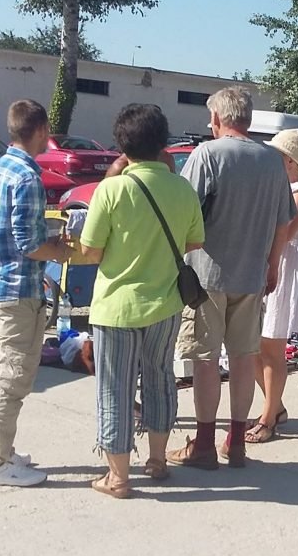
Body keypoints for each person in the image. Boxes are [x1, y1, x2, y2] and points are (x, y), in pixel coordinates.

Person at [73, 104, 204, 498]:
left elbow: (91, 251)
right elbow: (194, 242)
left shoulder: (111, 189)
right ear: (163, 143)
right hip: (165, 303)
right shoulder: (182, 188)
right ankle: (158, 460)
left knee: (115, 388)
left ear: (122, 146)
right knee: (160, 379)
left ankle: (118, 477)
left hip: (116, 306)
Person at [168, 87, 294, 470]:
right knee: (243, 358)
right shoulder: (272, 161)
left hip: (206, 275)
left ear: (218, 118)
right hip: (252, 273)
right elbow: (282, 222)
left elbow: (183, 210)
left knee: (205, 359)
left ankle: (204, 443)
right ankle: (236, 441)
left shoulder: (207, 154)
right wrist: (272, 265)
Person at [0, 99, 73, 487]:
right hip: (19, 290)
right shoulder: (28, 178)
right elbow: (29, 245)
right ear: (42, 131)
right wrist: (60, 250)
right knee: (12, 379)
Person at [249, 129, 298, 439]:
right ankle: (273, 407)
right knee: (251, 347)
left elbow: (282, 235)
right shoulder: (281, 190)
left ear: (289, 161)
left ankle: (269, 418)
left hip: (281, 271)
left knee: (271, 349)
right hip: (263, 269)